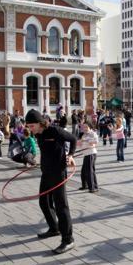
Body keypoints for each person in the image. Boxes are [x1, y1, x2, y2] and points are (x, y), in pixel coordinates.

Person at [25, 109, 77, 254]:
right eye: (28, 127)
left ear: (40, 123)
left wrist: (71, 155)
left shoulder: (54, 130)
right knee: (44, 202)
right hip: (46, 171)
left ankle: (68, 240)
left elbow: (72, 138)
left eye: (32, 126)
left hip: (58, 172)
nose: (30, 129)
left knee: (61, 206)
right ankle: (54, 228)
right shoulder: (38, 134)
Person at [79, 123, 99, 193]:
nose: (85, 128)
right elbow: (81, 144)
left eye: (86, 127)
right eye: (84, 127)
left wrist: (87, 141)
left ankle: (93, 187)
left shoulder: (92, 133)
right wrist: (79, 143)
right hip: (86, 154)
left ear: (90, 127)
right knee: (83, 171)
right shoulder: (84, 134)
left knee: (89, 171)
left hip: (91, 153)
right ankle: (85, 185)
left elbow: (96, 141)